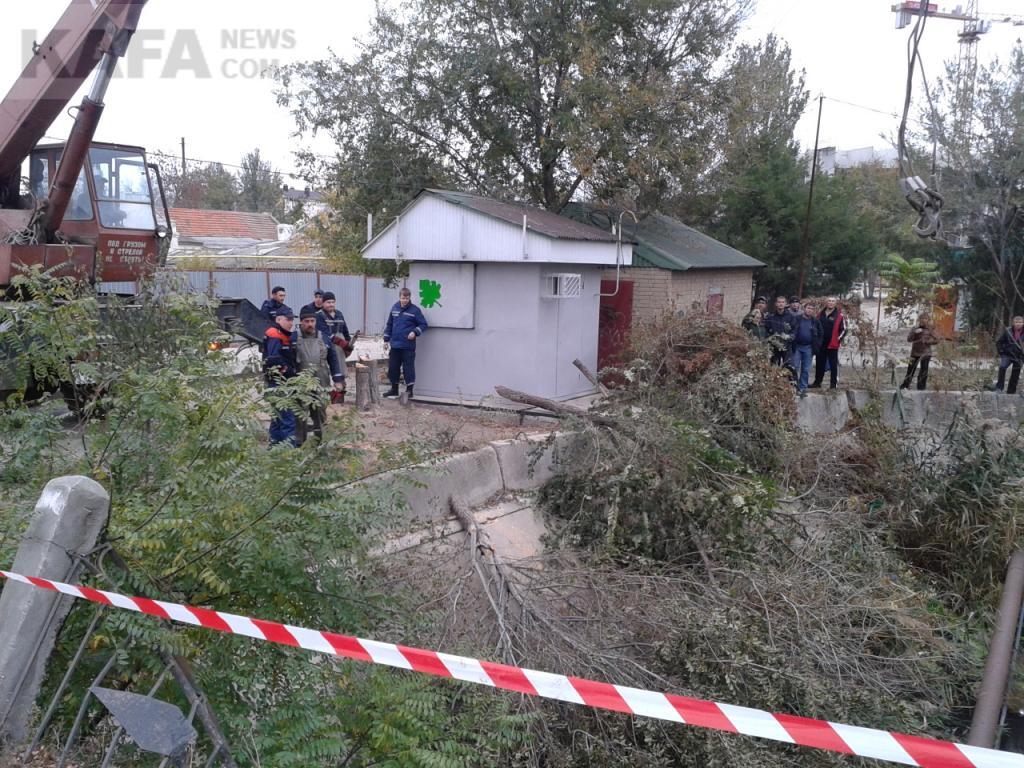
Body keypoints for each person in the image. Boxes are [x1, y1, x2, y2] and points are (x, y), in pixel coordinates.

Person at [294, 309, 346, 444]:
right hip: (301, 381)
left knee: (320, 411)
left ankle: (320, 442)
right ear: (301, 322)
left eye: (312, 321)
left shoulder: (324, 337)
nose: (310, 324)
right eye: (307, 321)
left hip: (321, 381)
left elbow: (333, 358)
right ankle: (299, 444)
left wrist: (338, 379)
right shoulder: (293, 338)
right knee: (300, 412)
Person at [383, 286, 428, 399]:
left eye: (407, 298)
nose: (405, 300)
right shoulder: (394, 308)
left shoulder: (415, 310)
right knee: (393, 367)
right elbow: (389, 324)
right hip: (395, 345)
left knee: (408, 368)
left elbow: (423, 324)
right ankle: (394, 390)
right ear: (400, 297)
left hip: (408, 346)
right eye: (403, 298)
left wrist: (415, 332)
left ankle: (409, 391)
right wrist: (386, 340)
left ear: (409, 298)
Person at [262, 308, 298, 446]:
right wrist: (289, 371)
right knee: (288, 419)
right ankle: (289, 452)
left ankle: (274, 448)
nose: (291, 323)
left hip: (276, 382)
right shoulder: (275, 334)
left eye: (292, 320)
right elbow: (273, 359)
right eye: (288, 319)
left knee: (277, 418)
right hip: (279, 382)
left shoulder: (281, 334)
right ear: (278, 319)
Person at [316, 291, 353, 402]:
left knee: (341, 370)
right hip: (326, 345)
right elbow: (325, 333)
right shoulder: (319, 316)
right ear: (323, 303)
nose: (331, 304)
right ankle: (325, 395)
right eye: (328, 302)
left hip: (340, 347)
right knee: (325, 371)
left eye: (333, 302)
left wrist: (348, 344)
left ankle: (340, 396)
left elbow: (345, 330)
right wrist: (341, 342)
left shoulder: (339, 314)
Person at [810, 297, 847, 390]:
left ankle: (833, 385)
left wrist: (837, 340)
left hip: (832, 344)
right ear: (826, 302)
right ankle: (817, 383)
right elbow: (815, 327)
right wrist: (816, 339)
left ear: (835, 303)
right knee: (819, 364)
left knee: (833, 365)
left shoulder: (839, 315)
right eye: (829, 301)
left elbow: (844, 330)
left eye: (833, 301)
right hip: (821, 344)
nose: (831, 302)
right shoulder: (820, 314)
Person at [791, 302, 823, 397]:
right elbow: (791, 329)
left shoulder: (815, 321)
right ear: (804, 309)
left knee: (805, 369)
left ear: (813, 311)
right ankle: (793, 387)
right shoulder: (797, 319)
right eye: (808, 308)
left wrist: (818, 344)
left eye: (812, 309)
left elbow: (821, 334)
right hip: (797, 347)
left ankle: (803, 388)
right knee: (794, 367)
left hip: (809, 348)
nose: (809, 310)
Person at [901, 314, 940, 391]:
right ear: (919, 319)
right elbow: (909, 339)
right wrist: (914, 333)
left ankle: (921, 388)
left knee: (923, 371)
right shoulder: (914, 328)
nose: (924, 320)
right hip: (915, 352)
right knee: (910, 370)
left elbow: (937, 339)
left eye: (926, 319)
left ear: (928, 320)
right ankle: (905, 386)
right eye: (922, 318)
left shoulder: (930, 329)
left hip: (926, 353)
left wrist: (928, 342)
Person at [994, 315, 1024, 395]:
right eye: (1016, 322)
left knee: (1015, 373)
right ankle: (999, 388)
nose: (1018, 324)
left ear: (1023, 323)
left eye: (1020, 322)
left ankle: (1011, 391)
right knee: (1002, 367)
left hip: (1019, 356)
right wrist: (1002, 352)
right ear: (1013, 323)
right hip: (1007, 355)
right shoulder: (1008, 331)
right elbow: (999, 342)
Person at [763, 296, 796, 368]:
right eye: (779, 302)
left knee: (788, 368)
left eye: (783, 302)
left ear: (786, 304)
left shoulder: (791, 317)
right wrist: (770, 338)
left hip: (786, 346)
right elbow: (766, 330)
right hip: (774, 347)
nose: (781, 304)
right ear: (776, 304)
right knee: (774, 368)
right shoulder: (770, 317)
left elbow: (795, 330)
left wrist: (790, 336)